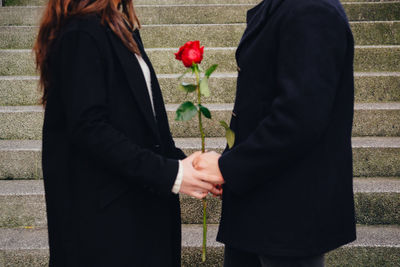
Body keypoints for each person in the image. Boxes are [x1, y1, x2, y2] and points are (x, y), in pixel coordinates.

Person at [34, 0, 222, 265]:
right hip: (107, 229)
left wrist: (186, 164)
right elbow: (90, 129)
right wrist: (172, 173)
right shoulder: (80, 33)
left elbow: (139, 127)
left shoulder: (119, 28)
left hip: (137, 213)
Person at [194, 0, 356, 266]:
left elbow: (298, 119)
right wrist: (230, 164)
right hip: (260, 206)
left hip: (289, 216)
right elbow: (258, 107)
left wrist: (229, 167)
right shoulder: (285, 7)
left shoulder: (312, 9)